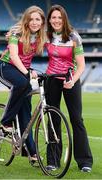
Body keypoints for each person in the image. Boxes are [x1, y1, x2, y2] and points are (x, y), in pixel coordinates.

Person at [45, 4, 93, 172]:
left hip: (70, 79)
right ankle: (53, 160)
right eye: (53, 17)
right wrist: (12, 34)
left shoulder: (73, 36)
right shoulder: (46, 36)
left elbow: (81, 65)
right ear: (49, 20)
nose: (56, 20)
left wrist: (72, 81)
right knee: (53, 119)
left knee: (76, 119)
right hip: (51, 79)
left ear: (64, 18)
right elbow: (27, 31)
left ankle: (85, 161)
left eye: (59, 17)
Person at [0, 5, 46, 161]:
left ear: (42, 22)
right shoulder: (17, 32)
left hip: (23, 70)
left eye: (38, 19)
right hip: (6, 67)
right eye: (31, 19)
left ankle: (31, 152)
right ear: (26, 20)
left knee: (26, 111)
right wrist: (27, 73)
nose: (34, 22)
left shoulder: (40, 36)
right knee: (23, 85)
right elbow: (14, 56)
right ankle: (5, 123)